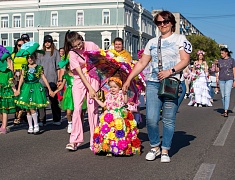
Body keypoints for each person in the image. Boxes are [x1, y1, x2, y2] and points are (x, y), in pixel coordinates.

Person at [122, 10, 191, 162]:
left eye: (165, 22)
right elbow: (142, 62)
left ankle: (165, 149)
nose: (162, 25)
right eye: (159, 23)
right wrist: (128, 80)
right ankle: (155, 147)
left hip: (172, 83)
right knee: (152, 119)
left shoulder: (180, 38)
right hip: (153, 82)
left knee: (168, 119)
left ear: (171, 23)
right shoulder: (152, 42)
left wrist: (170, 71)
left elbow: (185, 59)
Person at [63, 31, 100, 151]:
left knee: (92, 109)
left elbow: (101, 60)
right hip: (79, 79)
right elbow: (79, 73)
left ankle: (95, 139)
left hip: (93, 76)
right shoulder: (72, 54)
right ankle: (74, 140)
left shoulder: (92, 45)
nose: (79, 47)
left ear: (81, 38)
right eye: (75, 46)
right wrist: (90, 88)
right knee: (77, 108)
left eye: (79, 44)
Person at [92, 77, 141, 156]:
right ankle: (109, 148)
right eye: (111, 87)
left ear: (120, 87)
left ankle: (120, 147)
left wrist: (125, 94)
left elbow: (125, 102)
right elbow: (103, 105)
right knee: (108, 133)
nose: (112, 89)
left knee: (119, 132)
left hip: (119, 116)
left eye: (115, 87)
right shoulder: (108, 96)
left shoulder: (121, 94)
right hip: (109, 116)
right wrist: (96, 98)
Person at [15, 53, 53, 134]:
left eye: (31, 58)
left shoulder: (38, 67)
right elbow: (21, 78)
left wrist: (49, 89)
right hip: (26, 87)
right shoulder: (24, 67)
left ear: (34, 58)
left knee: (32, 108)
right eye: (28, 58)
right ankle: (30, 126)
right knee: (28, 109)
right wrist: (18, 90)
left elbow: (44, 78)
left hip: (35, 87)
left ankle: (36, 125)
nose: (30, 59)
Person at [37, 35, 61, 126]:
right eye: (46, 42)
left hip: (52, 79)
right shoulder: (40, 53)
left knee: (53, 100)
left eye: (49, 42)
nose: (47, 43)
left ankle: (57, 118)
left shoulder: (55, 53)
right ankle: (41, 119)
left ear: (51, 43)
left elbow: (58, 67)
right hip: (41, 80)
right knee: (42, 101)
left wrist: (59, 79)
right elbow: (38, 66)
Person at [11, 38, 28, 125]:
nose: (21, 47)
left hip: (25, 76)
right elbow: (11, 66)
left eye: (22, 45)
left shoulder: (26, 54)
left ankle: (21, 116)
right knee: (16, 97)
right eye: (19, 45)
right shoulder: (14, 55)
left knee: (24, 96)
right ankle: (18, 115)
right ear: (16, 46)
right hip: (16, 77)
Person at [216, 48, 235, 117]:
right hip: (221, 79)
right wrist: (216, 64)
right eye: (221, 53)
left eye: (222, 53)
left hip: (229, 78)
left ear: (226, 53)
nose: (221, 54)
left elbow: (234, 70)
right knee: (223, 95)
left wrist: (234, 80)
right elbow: (217, 70)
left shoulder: (232, 60)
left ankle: (226, 111)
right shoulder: (220, 60)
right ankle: (225, 108)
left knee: (227, 94)